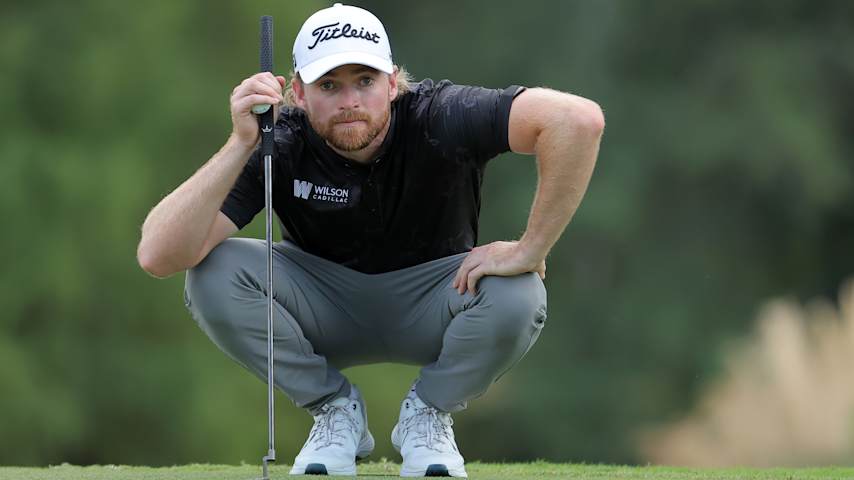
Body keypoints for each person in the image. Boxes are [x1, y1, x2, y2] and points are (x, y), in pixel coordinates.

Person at [137, 2, 603, 477]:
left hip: (438, 299)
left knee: (519, 290)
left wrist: (531, 248)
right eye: (329, 86)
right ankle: (335, 411)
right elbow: (158, 255)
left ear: (393, 81)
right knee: (212, 271)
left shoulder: (441, 114)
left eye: (365, 81)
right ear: (296, 92)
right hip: (322, 305)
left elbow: (578, 121)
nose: (349, 101)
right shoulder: (281, 139)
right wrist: (241, 143)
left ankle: (427, 415)